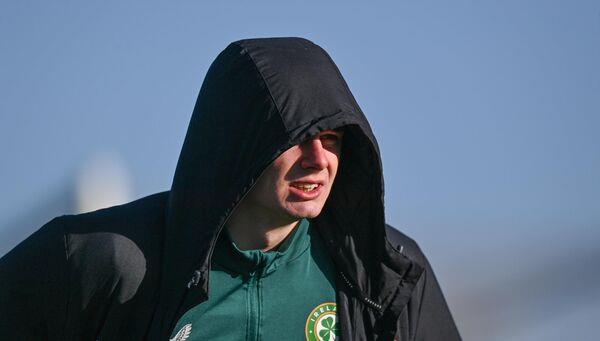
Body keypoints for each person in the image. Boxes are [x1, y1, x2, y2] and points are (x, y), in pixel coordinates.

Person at [0, 37, 461, 340]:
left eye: (332, 141)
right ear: (241, 145)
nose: (319, 162)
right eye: (296, 140)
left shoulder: (386, 273)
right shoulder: (108, 259)